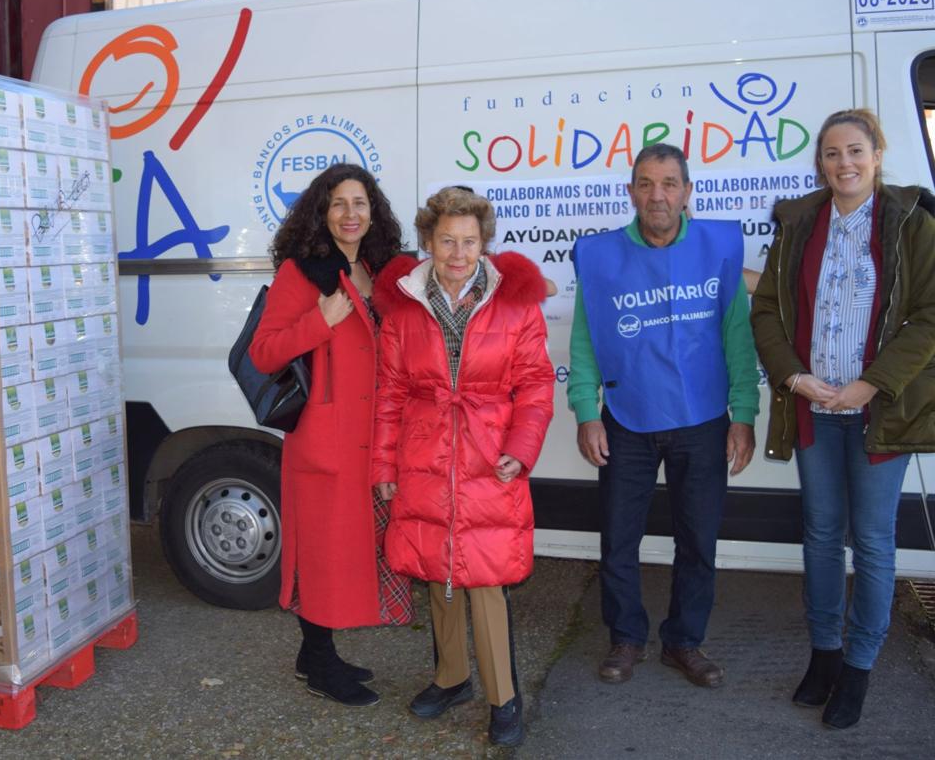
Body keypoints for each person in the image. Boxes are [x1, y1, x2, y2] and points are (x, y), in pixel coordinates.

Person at [750, 109, 935, 729]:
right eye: (831, 153)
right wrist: (794, 377)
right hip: (812, 410)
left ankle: (858, 668)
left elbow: (930, 318)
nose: (843, 163)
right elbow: (769, 309)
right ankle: (824, 655)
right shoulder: (800, 222)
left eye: (854, 150)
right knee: (822, 536)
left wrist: (867, 385)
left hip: (878, 412)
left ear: (877, 154)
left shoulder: (912, 222)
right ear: (820, 162)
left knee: (875, 543)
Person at [567, 143, 760, 689]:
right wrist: (587, 411)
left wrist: (743, 414)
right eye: (647, 184)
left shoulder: (718, 247)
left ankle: (683, 641)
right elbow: (584, 341)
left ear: (687, 192)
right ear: (631, 192)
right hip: (626, 419)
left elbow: (737, 340)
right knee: (618, 539)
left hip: (702, 421)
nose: (658, 195)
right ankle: (626, 637)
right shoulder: (601, 258)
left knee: (698, 540)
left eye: (670, 183)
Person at [373, 186, 554, 748]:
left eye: (469, 241)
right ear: (428, 240)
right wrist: (384, 465)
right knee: (438, 570)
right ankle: (451, 679)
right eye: (447, 240)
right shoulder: (405, 305)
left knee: (486, 578)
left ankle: (505, 696)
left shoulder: (513, 301)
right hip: (425, 453)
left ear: (485, 242)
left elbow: (536, 384)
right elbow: (390, 392)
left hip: (488, 454)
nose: (457, 253)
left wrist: (521, 449)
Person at [249, 162, 411, 708]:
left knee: (354, 549)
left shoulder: (380, 269)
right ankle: (319, 662)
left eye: (360, 203)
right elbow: (264, 351)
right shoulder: (304, 273)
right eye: (339, 203)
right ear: (322, 212)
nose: (350, 214)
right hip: (326, 439)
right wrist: (320, 318)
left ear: (373, 212)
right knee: (324, 554)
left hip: (374, 436)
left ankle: (313, 656)